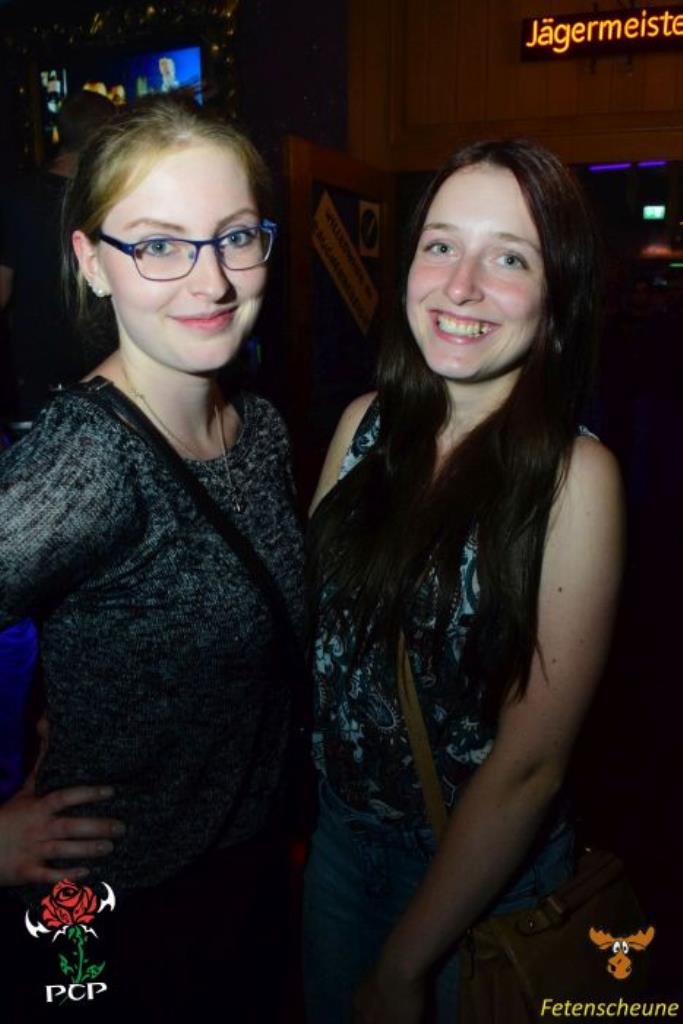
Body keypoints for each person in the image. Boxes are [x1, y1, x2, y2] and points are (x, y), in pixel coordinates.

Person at [303, 139, 624, 1023]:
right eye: (440, 245)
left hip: (479, 886)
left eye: (508, 258)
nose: (460, 286)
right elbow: (313, 643)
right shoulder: (363, 428)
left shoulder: (573, 479)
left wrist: (404, 964)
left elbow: (530, 763)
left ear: (557, 295)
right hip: (338, 848)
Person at [0, 95, 304, 1021]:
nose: (211, 282)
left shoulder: (261, 429)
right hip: (111, 908)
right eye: (160, 245)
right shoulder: (85, 459)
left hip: (244, 882)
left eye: (235, 237)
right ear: (93, 263)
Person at [0, 90, 115, 433]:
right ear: (104, 137)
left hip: (38, 373)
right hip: (109, 371)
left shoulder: (16, 196)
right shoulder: (106, 198)